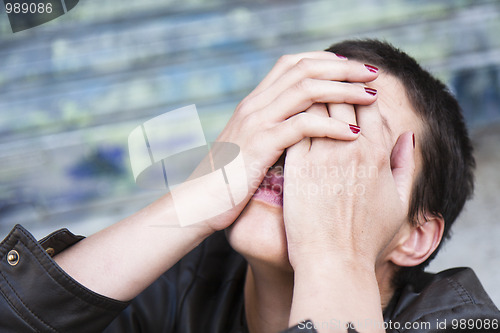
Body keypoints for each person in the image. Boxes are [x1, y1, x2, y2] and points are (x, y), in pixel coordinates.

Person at [0, 39, 498, 333]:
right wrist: (200, 197)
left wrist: (333, 254)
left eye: (348, 139)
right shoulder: (187, 281)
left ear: (417, 236)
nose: (297, 154)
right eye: (294, 116)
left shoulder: (459, 320)